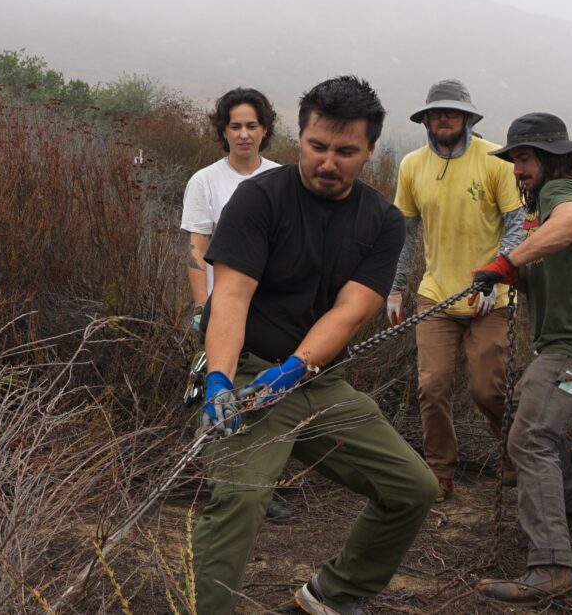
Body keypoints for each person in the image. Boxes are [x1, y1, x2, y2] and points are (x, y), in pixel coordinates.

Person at [189, 76, 437, 615]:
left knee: (413, 488)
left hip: (318, 380)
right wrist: (220, 379)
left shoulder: (383, 222)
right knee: (241, 499)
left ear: (371, 151)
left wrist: (298, 368)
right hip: (250, 373)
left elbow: (349, 313)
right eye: (317, 146)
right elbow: (229, 297)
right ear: (299, 138)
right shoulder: (259, 199)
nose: (329, 162)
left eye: (346, 151)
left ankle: (332, 595)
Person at [471, 112, 572, 606]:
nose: (517, 169)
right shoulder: (546, 201)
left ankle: (551, 566)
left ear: (552, 158)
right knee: (531, 421)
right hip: (571, 344)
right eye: (514, 158)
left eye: (524, 158)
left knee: (531, 437)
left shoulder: (563, 194)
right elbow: (563, 251)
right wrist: (523, 276)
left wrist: (507, 261)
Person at [387, 79, 525, 501]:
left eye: (452, 112)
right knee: (433, 386)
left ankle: (513, 455)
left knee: (488, 388)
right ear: (427, 118)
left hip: (490, 297)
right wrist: (395, 289)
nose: (444, 118)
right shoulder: (412, 165)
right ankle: (439, 472)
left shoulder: (496, 160)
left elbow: (517, 226)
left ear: (467, 117)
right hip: (436, 295)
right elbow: (405, 233)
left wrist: (495, 276)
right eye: (437, 112)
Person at [180, 87, 291, 523]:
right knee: (218, 385)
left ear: (265, 130)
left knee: (269, 393)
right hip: (223, 307)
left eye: (251, 126)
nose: (243, 134)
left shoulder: (283, 178)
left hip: (272, 308)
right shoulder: (205, 181)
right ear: (222, 130)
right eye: (235, 126)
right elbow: (195, 247)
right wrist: (201, 307)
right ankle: (224, 484)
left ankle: (262, 486)